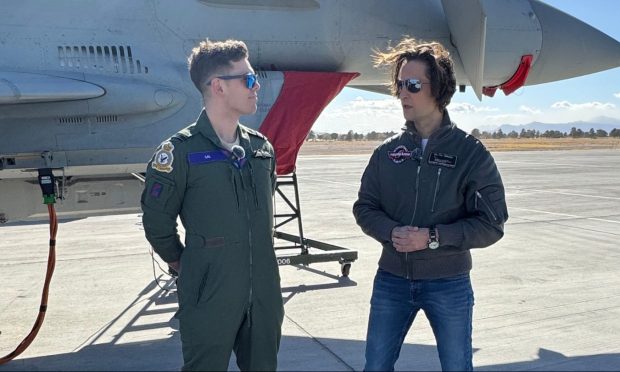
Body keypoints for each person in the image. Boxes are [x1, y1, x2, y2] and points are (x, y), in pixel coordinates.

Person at [353, 37, 508, 371]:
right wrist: (391, 231)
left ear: (438, 89)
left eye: (412, 85)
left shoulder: (470, 153)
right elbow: (365, 207)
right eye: (399, 85)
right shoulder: (386, 152)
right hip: (391, 280)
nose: (403, 94)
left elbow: (492, 223)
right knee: (375, 366)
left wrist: (433, 237)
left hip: (449, 284)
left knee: (456, 366)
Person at [141, 39, 283, 371]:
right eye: (247, 79)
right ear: (218, 86)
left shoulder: (262, 148)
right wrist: (188, 263)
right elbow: (157, 223)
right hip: (208, 294)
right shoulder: (178, 152)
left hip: (263, 293)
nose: (256, 85)